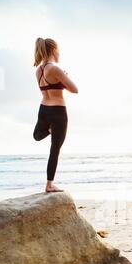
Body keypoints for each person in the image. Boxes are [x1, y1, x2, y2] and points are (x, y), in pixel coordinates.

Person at [33, 37, 78, 193]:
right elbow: (74, 89)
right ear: (53, 50)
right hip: (58, 111)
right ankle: (49, 184)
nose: (60, 54)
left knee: (37, 135)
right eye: (59, 50)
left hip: (44, 108)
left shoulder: (38, 70)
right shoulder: (55, 69)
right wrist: (64, 77)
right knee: (55, 149)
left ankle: (50, 130)